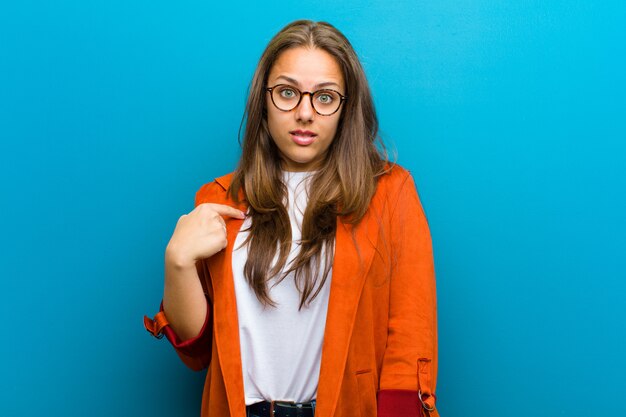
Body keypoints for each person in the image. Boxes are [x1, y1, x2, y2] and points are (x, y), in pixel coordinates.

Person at [144, 19, 440, 417]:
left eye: (325, 97)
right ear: (263, 101)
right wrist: (177, 262)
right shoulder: (218, 200)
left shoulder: (390, 193)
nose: (304, 113)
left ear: (346, 108)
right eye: (287, 92)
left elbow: (411, 331)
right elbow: (198, 352)